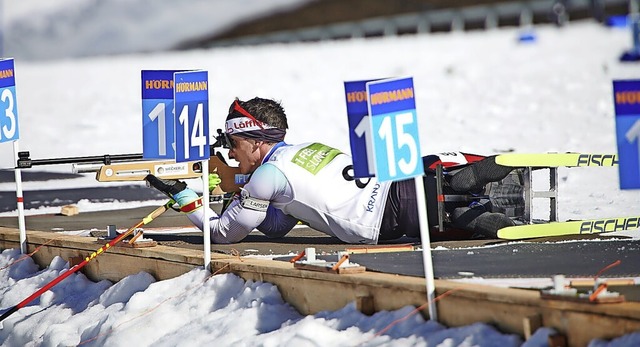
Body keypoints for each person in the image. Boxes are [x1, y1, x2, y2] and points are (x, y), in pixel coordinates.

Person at [145, 97, 522, 244]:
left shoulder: (265, 177)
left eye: (233, 144)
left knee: (453, 215)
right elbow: (278, 223)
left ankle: (483, 217)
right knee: (444, 189)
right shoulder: (304, 149)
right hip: (400, 182)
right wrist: (236, 188)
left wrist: (185, 197)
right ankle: (478, 180)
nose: (230, 152)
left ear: (254, 139)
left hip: (380, 223)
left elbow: (223, 235)